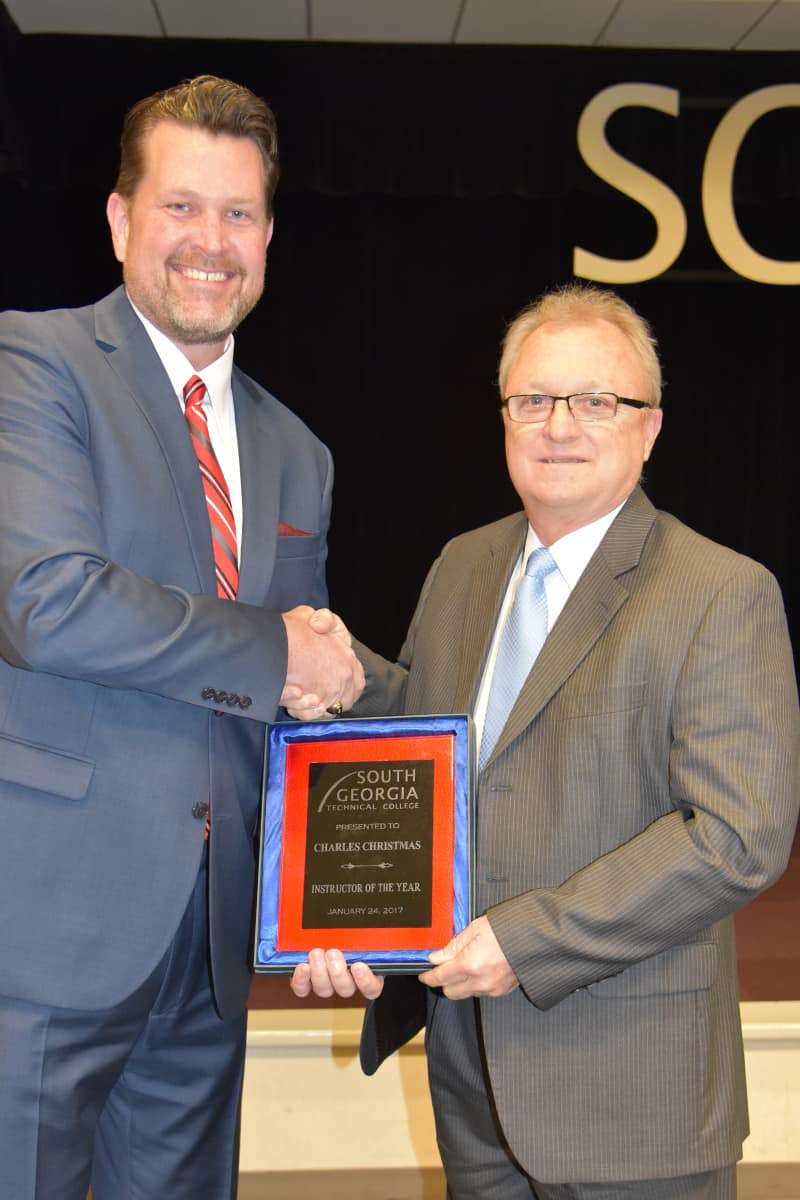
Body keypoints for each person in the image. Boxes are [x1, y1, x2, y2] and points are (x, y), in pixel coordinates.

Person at [292, 284, 800, 1199]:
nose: (559, 425)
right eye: (533, 399)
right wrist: (340, 678)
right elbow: (435, 742)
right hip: (470, 1077)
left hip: (631, 1093)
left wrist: (526, 942)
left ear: (649, 429)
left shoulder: (721, 591)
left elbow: (736, 838)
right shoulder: (464, 565)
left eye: (595, 400)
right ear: (504, 419)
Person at [0, 74, 363, 1199]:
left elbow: (300, 706)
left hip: (208, 962)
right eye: (181, 207)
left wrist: (334, 901)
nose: (212, 241)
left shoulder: (298, 453)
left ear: (268, 235)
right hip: (42, 936)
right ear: (120, 220)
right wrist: (278, 652)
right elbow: (46, 601)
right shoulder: (34, 363)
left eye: (239, 213)